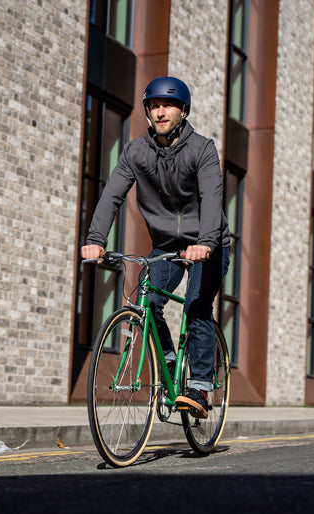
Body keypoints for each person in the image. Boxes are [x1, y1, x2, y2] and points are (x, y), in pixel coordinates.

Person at [81, 76, 230, 419]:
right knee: (148, 302)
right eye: (154, 106)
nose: (161, 112)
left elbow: (211, 199)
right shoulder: (135, 152)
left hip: (208, 242)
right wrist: (95, 240)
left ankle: (201, 386)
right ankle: (170, 361)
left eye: (168, 106)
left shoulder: (202, 149)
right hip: (166, 244)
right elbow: (111, 196)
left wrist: (206, 243)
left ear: (183, 111)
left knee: (196, 307)